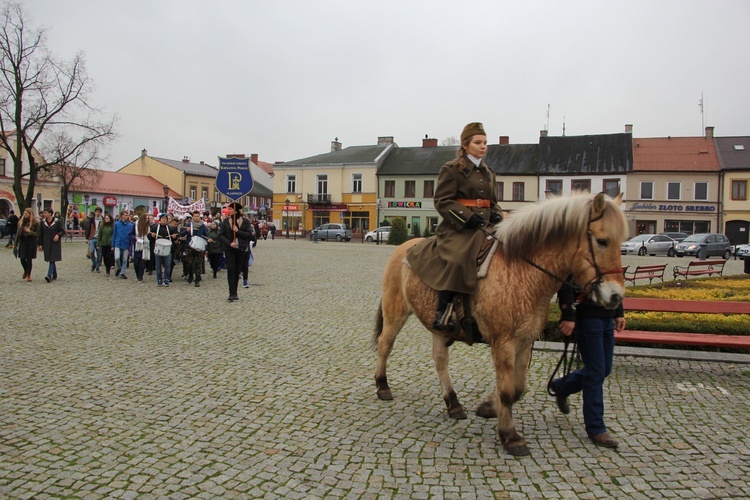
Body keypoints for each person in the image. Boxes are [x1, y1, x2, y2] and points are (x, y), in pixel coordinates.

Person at [406, 122, 503, 331]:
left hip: (485, 226)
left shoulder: (489, 172)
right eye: (478, 142)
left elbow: (492, 201)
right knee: (459, 257)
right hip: (458, 228)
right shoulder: (451, 170)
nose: (483, 146)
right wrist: (467, 218)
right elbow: (442, 200)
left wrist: (498, 214)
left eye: (485, 142)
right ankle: (443, 310)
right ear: (465, 145)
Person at [550, 281, 626, 449]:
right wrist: (569, 315)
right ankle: (596, 428)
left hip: (606, 317)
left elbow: (614, 281)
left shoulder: (607, 255)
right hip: (588, 317)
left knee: (604, 369)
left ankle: (562, 386)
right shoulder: (582, 254)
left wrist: (618, 311)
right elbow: (567, 283)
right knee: (596, 372)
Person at [219, 202, 254, 301]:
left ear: (236, 210)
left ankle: (235, 292)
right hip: (230, 249)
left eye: (230, 209)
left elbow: (250, 234)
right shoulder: (226, 221)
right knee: (230, 269)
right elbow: (220, 235)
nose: (228, 211)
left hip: (241, 249)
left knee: (237, 270)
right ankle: (231, 292)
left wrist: (238, 232)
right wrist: (229, 243)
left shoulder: (245, 221)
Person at [180, 210, 211, 287]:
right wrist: (186, 231)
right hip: (190, 247)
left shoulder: (202, 226)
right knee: (189, 263)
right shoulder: (188, 224)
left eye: (197, 216)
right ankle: (190, 274)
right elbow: (181, 234)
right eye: (195, 216)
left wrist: (208, 239)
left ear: (199, 217)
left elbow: (206, 234)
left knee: (198, 264)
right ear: (193, 217)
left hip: (199, 247)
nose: (196, 218)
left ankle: (197, 279)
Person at [149, 213, 177, 287]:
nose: (164, 220)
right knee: (158, 265)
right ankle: (159, 280)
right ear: (160, 219)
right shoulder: (154, 227)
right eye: (163, 218)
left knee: (168, 265)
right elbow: (149, 237)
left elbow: (176, 236)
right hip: (158, 249)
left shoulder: (170, 229)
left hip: (167, 249)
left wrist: (174, 237)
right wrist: (152, 236)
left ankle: (166, 279)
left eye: (165, 219)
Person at [39, 208, 65, 282]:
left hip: (55, 243)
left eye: (45, 213)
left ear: (50, 213)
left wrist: (57, 235)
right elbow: (41, 234)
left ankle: (49, 275)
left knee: (52, 259)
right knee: (51, 259)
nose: (44, 214)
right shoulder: (42, 222)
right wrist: (40, 244)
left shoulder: (57, 221)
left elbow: (62, 231)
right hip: (46, 243)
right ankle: (55, 273)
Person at [15, 208, 39, 282]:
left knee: (29, 259)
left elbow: (38, 234)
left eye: (27, 213)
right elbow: (17, 233)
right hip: (23, 241)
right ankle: (25, 270)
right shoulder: (20, 222)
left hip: (31, 241)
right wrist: (16, 242)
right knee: (22, 258)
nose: (25, 215)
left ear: (30, 214)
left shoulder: (35, 222)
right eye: (24, 213)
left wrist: (30, 231)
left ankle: (28, 274)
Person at [112, 211, 134, 279]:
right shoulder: (117, 224)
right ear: (122, 216)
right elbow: (114, 234)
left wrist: (130, 245)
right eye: (125, 215)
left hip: (126, 244)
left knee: (125, 259)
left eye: (127, 215)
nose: (127, 216)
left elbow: (131, 235)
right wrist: (112, 245)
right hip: (118, 243)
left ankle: (122, 273)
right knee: (117, 258)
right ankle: (119, 268)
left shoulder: (130, 225)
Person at [132, 214, 151, 282]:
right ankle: (137, 275)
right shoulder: (135, 225)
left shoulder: (148, 227)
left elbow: (149, 236)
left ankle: (140, 277)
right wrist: (135, 238)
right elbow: (131, 234)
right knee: (136, 263)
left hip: (144, 247)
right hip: (137, 246)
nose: (147, 220)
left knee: (142, 264)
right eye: (146, 219)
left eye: (148, 219)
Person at [85, 208, 104, 272]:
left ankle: (97, 267)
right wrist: (87, 238)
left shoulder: (103, 220)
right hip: (92, 238)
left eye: (99, 212)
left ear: (101, 213)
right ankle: (94, 263)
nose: (98, 213)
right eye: (97, 212)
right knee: (91, 251)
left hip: (100, 239)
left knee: (99, 254)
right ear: (95, 213)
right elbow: (88, 228)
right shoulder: (92, 219)